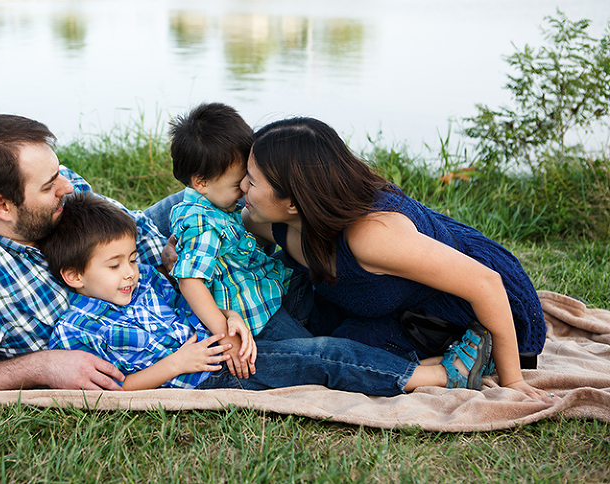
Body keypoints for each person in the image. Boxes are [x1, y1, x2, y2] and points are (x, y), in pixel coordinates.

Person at [40, 191, 494, 394]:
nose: (130, 273)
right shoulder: (79, 329)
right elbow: (109, 390)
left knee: (317, 345)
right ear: (74, 275)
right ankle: (437, 378)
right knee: (319, 358)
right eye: (115, 266)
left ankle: (416, 366)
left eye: (133, 260)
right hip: (209, 375)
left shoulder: (146, 285)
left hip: (223, 342)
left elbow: (188, 299)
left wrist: (228, 314)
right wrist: (175, 365)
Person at [240, 117, 552, 402]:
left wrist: (512, 383)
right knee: (315, 339)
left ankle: (459, 367)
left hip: (456, 308)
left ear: (294, 202)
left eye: (251, 182)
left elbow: (486, 283)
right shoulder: (266, 220)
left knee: (341, 359)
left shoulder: (371, 236)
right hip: (384, 300)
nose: (242, 188)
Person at [0, 114, 175, 396]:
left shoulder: (59, 186)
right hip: (131, 326)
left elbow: (131, 227)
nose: (67, 186)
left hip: (132, 267)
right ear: (3, 206)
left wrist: (166, 254)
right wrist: (40, 367)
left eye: (58, 172)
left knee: (216, 178)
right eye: (49, 186)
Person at [167, 102, 295, 378]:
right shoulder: (201, 222)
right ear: (201, 182)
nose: (245, 189)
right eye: (238, 184)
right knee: (311, 350)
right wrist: (225, 334)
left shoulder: (218, 205)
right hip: (255, 320)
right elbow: (191, 280)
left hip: (265, 295)